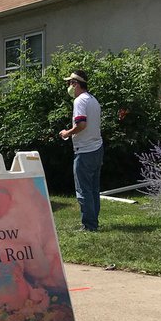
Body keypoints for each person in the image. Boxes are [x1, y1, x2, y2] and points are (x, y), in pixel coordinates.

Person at [59, 69, 103, 231]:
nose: (69, 87)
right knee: (93, 189)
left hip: (84, 151)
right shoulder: (93, 100)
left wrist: (66, 133)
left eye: (70, 83)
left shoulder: (79, 101)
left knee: (83, 189)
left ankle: (89, 225)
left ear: (76, 84)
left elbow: (81, 125)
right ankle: (93, 222)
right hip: (97, 148)